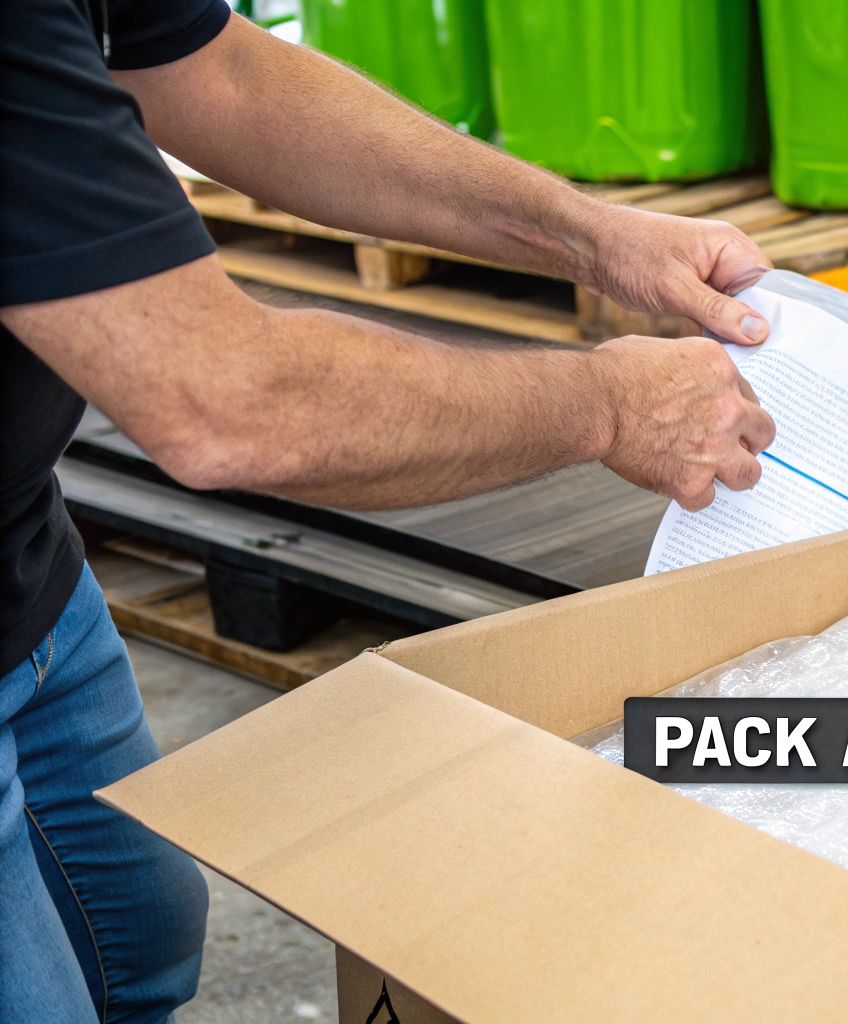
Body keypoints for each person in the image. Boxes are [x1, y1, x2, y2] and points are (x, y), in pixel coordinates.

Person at [0, 2, 779, 1020]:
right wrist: (610, 406)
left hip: (26, 569)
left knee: (133, 940)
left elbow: (213, 72)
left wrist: (588, 233)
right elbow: (226, 402)